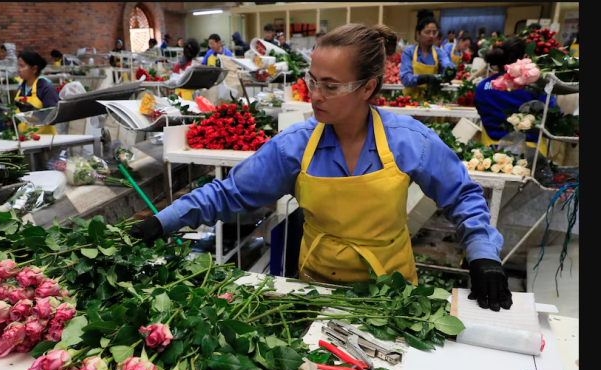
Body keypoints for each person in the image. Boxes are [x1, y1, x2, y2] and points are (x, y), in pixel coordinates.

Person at [130, 23, 512, 312]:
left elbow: (462, 194)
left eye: (330, 86)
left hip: (392, 295)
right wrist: (163, 221)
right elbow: (230, 192)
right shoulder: (295, 146)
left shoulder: (409, 141)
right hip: (315, 292)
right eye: (312, 80)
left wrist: (482, 254)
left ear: (368, 88)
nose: (314, 95)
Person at [473, 36, 554, 155]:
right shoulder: (536, 87)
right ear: (524, 58)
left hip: (491, 155)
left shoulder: (482, 87)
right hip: (530, 154)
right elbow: (551, 114)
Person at [399, 10, 455, 96]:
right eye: (427, 32)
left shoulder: (440, 53)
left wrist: (451, 70)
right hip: (410, 101)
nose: (431, 36)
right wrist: (425, 78)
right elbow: (405, 79)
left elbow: (446, 64)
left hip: (431, 102)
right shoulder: (409, 52)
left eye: (434, 32)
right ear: (418, 33)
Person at [14, 50, 59, 135]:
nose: (18, 69)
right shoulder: (20, 89)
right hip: (25, 140)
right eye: (18, 66)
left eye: (22, 66)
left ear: (34, 69)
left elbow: (54, 118)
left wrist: (33, 111)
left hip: (45, 142)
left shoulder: (46, 88)